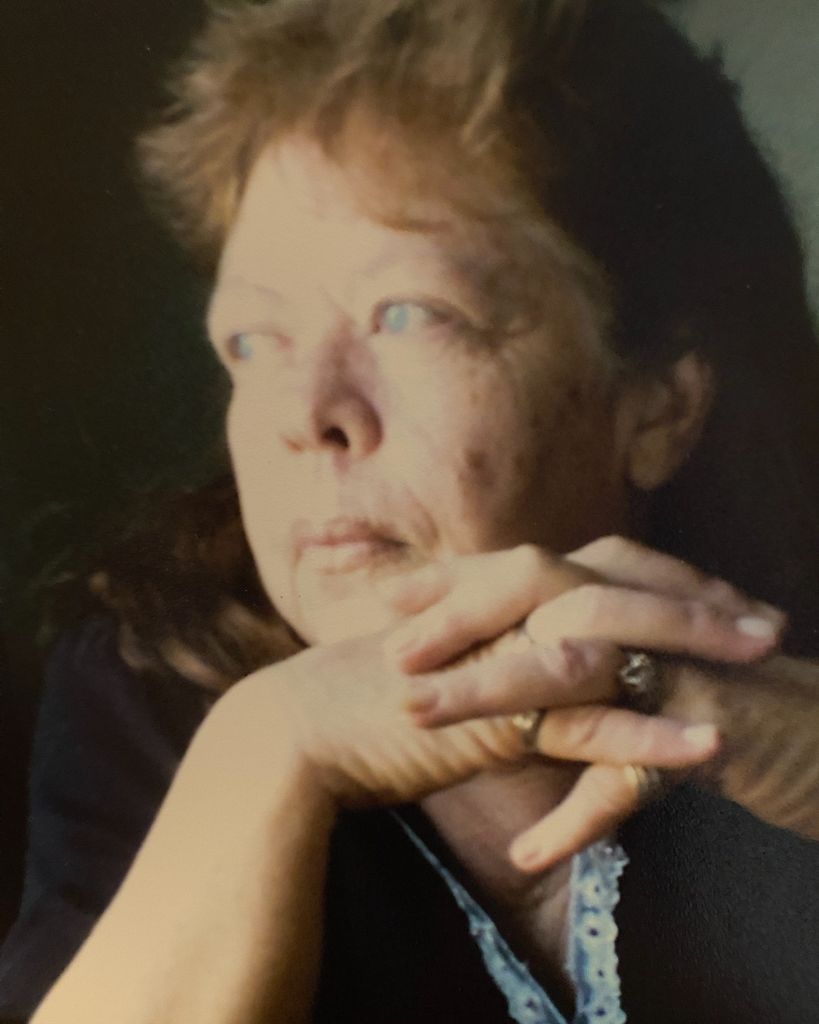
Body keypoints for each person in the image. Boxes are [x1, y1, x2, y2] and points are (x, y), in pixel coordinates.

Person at [2, 0, 819, 1021]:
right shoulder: (148, 689)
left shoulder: (790, 677)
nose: (306, 415)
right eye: (254, 341)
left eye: (408, 315)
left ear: (658, 404)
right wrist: (273, 746)